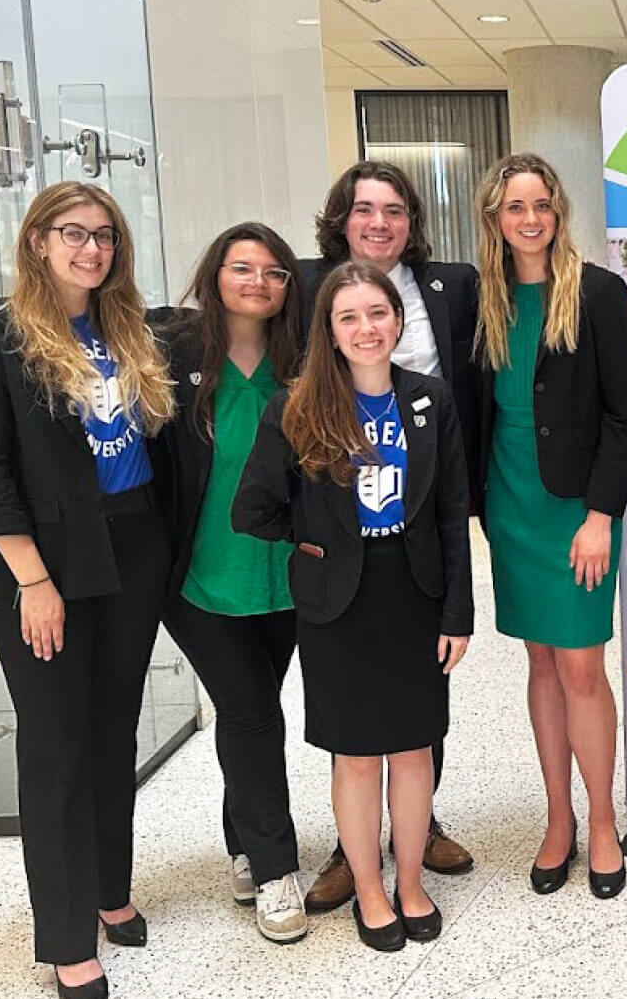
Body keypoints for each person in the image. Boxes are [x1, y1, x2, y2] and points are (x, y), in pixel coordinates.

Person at [0, 181, 175, 999]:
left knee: (115, 733)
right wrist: (31, 581)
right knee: (56, 750)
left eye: (105, 235)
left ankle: (110, 891)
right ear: (37, 241)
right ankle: (68, 937)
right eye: (73, 233)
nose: (92, 249)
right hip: (45, 564)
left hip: (135, 545)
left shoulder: (132, 332)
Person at [232, 262, 473, 951]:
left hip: (417, 590)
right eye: (349, 317)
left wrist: (459, 613)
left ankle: (410, 884)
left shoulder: (430, 400)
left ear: (397, 321)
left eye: (378, 313)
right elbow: (251, 509)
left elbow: (453, 511)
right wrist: (318, 540)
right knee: (359, 755)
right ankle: (369, 887)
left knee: (416, 745)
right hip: (339, 600)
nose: (366, 328)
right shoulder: (298, 406)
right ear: (329, 331)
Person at [298, 159, 479, 909]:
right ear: (342, 218)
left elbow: (473, 389)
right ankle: (355, 856)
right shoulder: (311, 300)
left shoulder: (450, 288)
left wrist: (460, 602)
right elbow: (270, 488)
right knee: (354, 736)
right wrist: (314, 539)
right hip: (343, 563)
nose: (380, 222)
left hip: (418, 540)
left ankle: (416, 837)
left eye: (395, 209)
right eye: (365, 209)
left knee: (413, 725)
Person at [473, 152, 627, 900]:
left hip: (577, 512)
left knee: (580, 666)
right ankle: (557, 820)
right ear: (495, 219)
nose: (530, 219)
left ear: (558, 211)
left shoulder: (599, 293)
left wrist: (601, 515)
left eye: (541, 204)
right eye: (516, 208)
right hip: (510, 507)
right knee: (540, 664)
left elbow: (623, 418)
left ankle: (602, 822)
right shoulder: (483, 300)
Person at [151, 223, 309, 943]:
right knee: (250, 714)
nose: (258, 282)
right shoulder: (172, 355)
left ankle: (243, 843)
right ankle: (278, 870)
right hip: (202, 576)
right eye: (242, 267)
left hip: (284, 572)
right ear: (215, 274)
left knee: (253, 707)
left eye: (274, 272)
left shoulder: (304, 359)